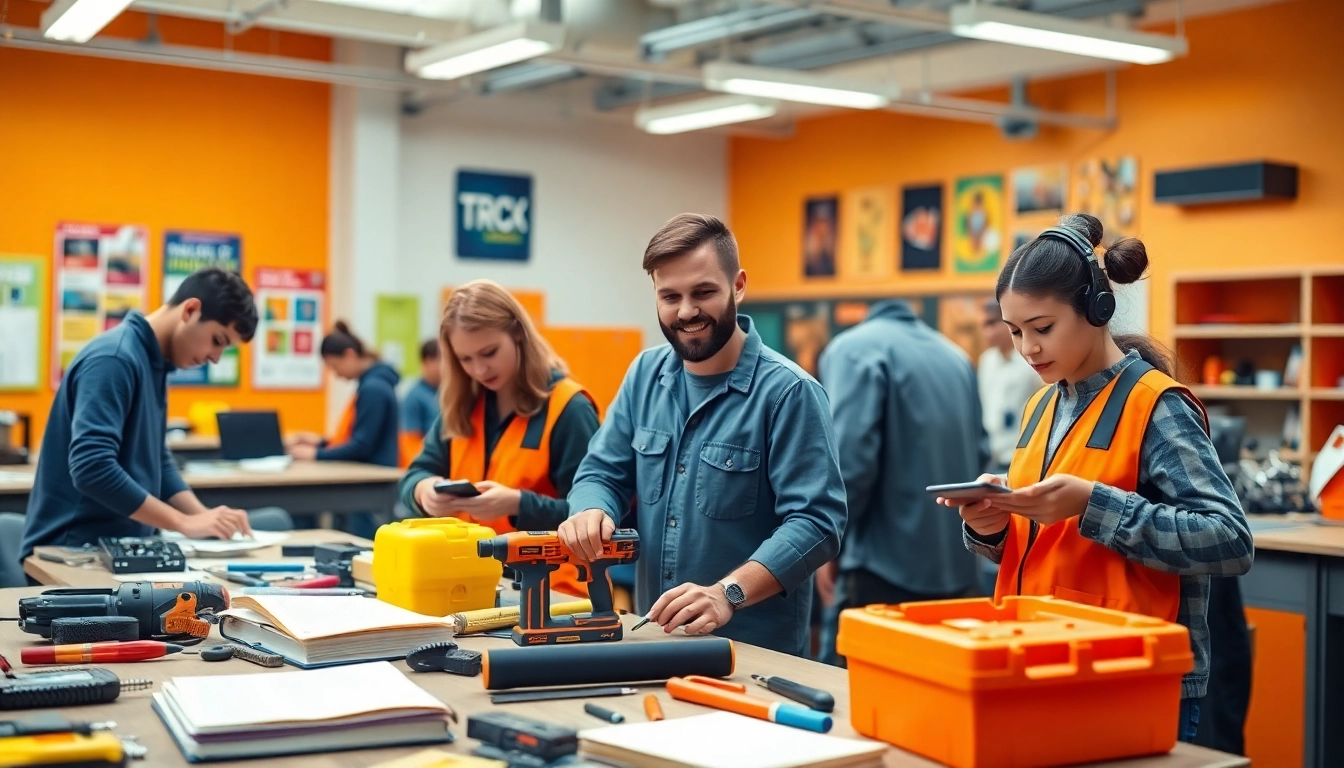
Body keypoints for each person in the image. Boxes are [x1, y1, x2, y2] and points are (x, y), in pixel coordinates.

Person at [937, 213, 1254, 744]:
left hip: (1130, 679)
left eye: (1042, 329)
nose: (1027, 349)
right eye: (1015, 331)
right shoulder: (1041, 406)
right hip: (1034, 662)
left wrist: (1093, 506)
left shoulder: (1156, 406)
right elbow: (1046, 549)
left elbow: (1229, 540)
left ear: (1096, 309)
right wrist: (994, 524)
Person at [559, 213, 847, 657]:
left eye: (704, 292)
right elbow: (601, 471)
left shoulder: (789, 393)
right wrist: (591, 509)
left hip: (752, 658)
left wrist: (727, 593)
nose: (687, 311)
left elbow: (816, 523)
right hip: (651, 642)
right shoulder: (644, 374)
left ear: (739, 286)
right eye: (669, 296)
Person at [20, 268, 257, 563]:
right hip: (70, 553)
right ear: (191, 310)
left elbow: (157, 460)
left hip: (119, 549)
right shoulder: (115, 358)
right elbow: (92, 467)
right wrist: (182, 523)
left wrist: (205, 518)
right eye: (218, 340)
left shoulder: (155, 363)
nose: (215, 357)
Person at [398, 280, 600, 595]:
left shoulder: (569, 409)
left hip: (554, 595)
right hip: (470, 586)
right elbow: (413, 475)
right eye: (465, 359)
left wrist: (518, 505)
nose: (479, 369)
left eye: (489, 352)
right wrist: (424, 491)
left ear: (517, 334)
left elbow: (592, 517)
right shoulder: (462, 405)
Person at [814, 298, 987, 666]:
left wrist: (827, 543)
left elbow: (852, 463)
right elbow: (982, 455)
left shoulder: (852, 349)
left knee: (848, 700)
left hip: (880, 571)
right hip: (955, 571)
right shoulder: (956, 358)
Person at [288, 321, 400, 536]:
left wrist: (316, 454)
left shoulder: (373, 388)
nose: (336, 374)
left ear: (349, 355)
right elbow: (359, 435)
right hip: (365, 479)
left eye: (335, 366)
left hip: (368, 484)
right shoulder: (371, 384)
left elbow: (362, 446)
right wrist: (320, 442)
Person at [978, 298, 1042, 474]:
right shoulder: (987, 361)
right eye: (984, 325)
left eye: (992, 324)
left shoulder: (1031, 361)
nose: (988, 332)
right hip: (993, 456)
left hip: (1024, 456)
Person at [401, 338, 442, 443]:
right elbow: (410, 442)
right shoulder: (414, 397)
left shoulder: (446, 392)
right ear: (428, 361)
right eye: (442, 360)